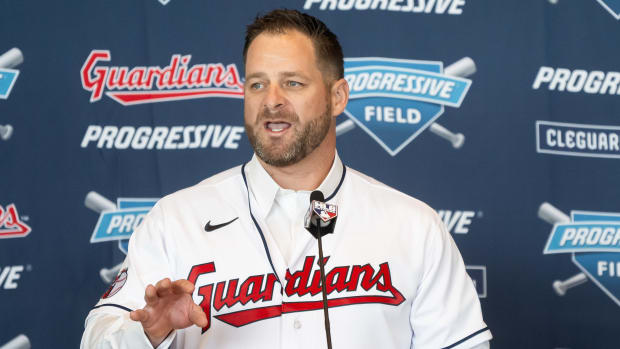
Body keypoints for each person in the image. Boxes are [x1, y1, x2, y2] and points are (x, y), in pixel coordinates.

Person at [81, 9, 492, 349]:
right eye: (257, 84)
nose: (272, 100)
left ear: (337, 96)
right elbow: (97, 340)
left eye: (292, 83)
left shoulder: (413, 225)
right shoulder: (176, 220)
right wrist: (148, 332)